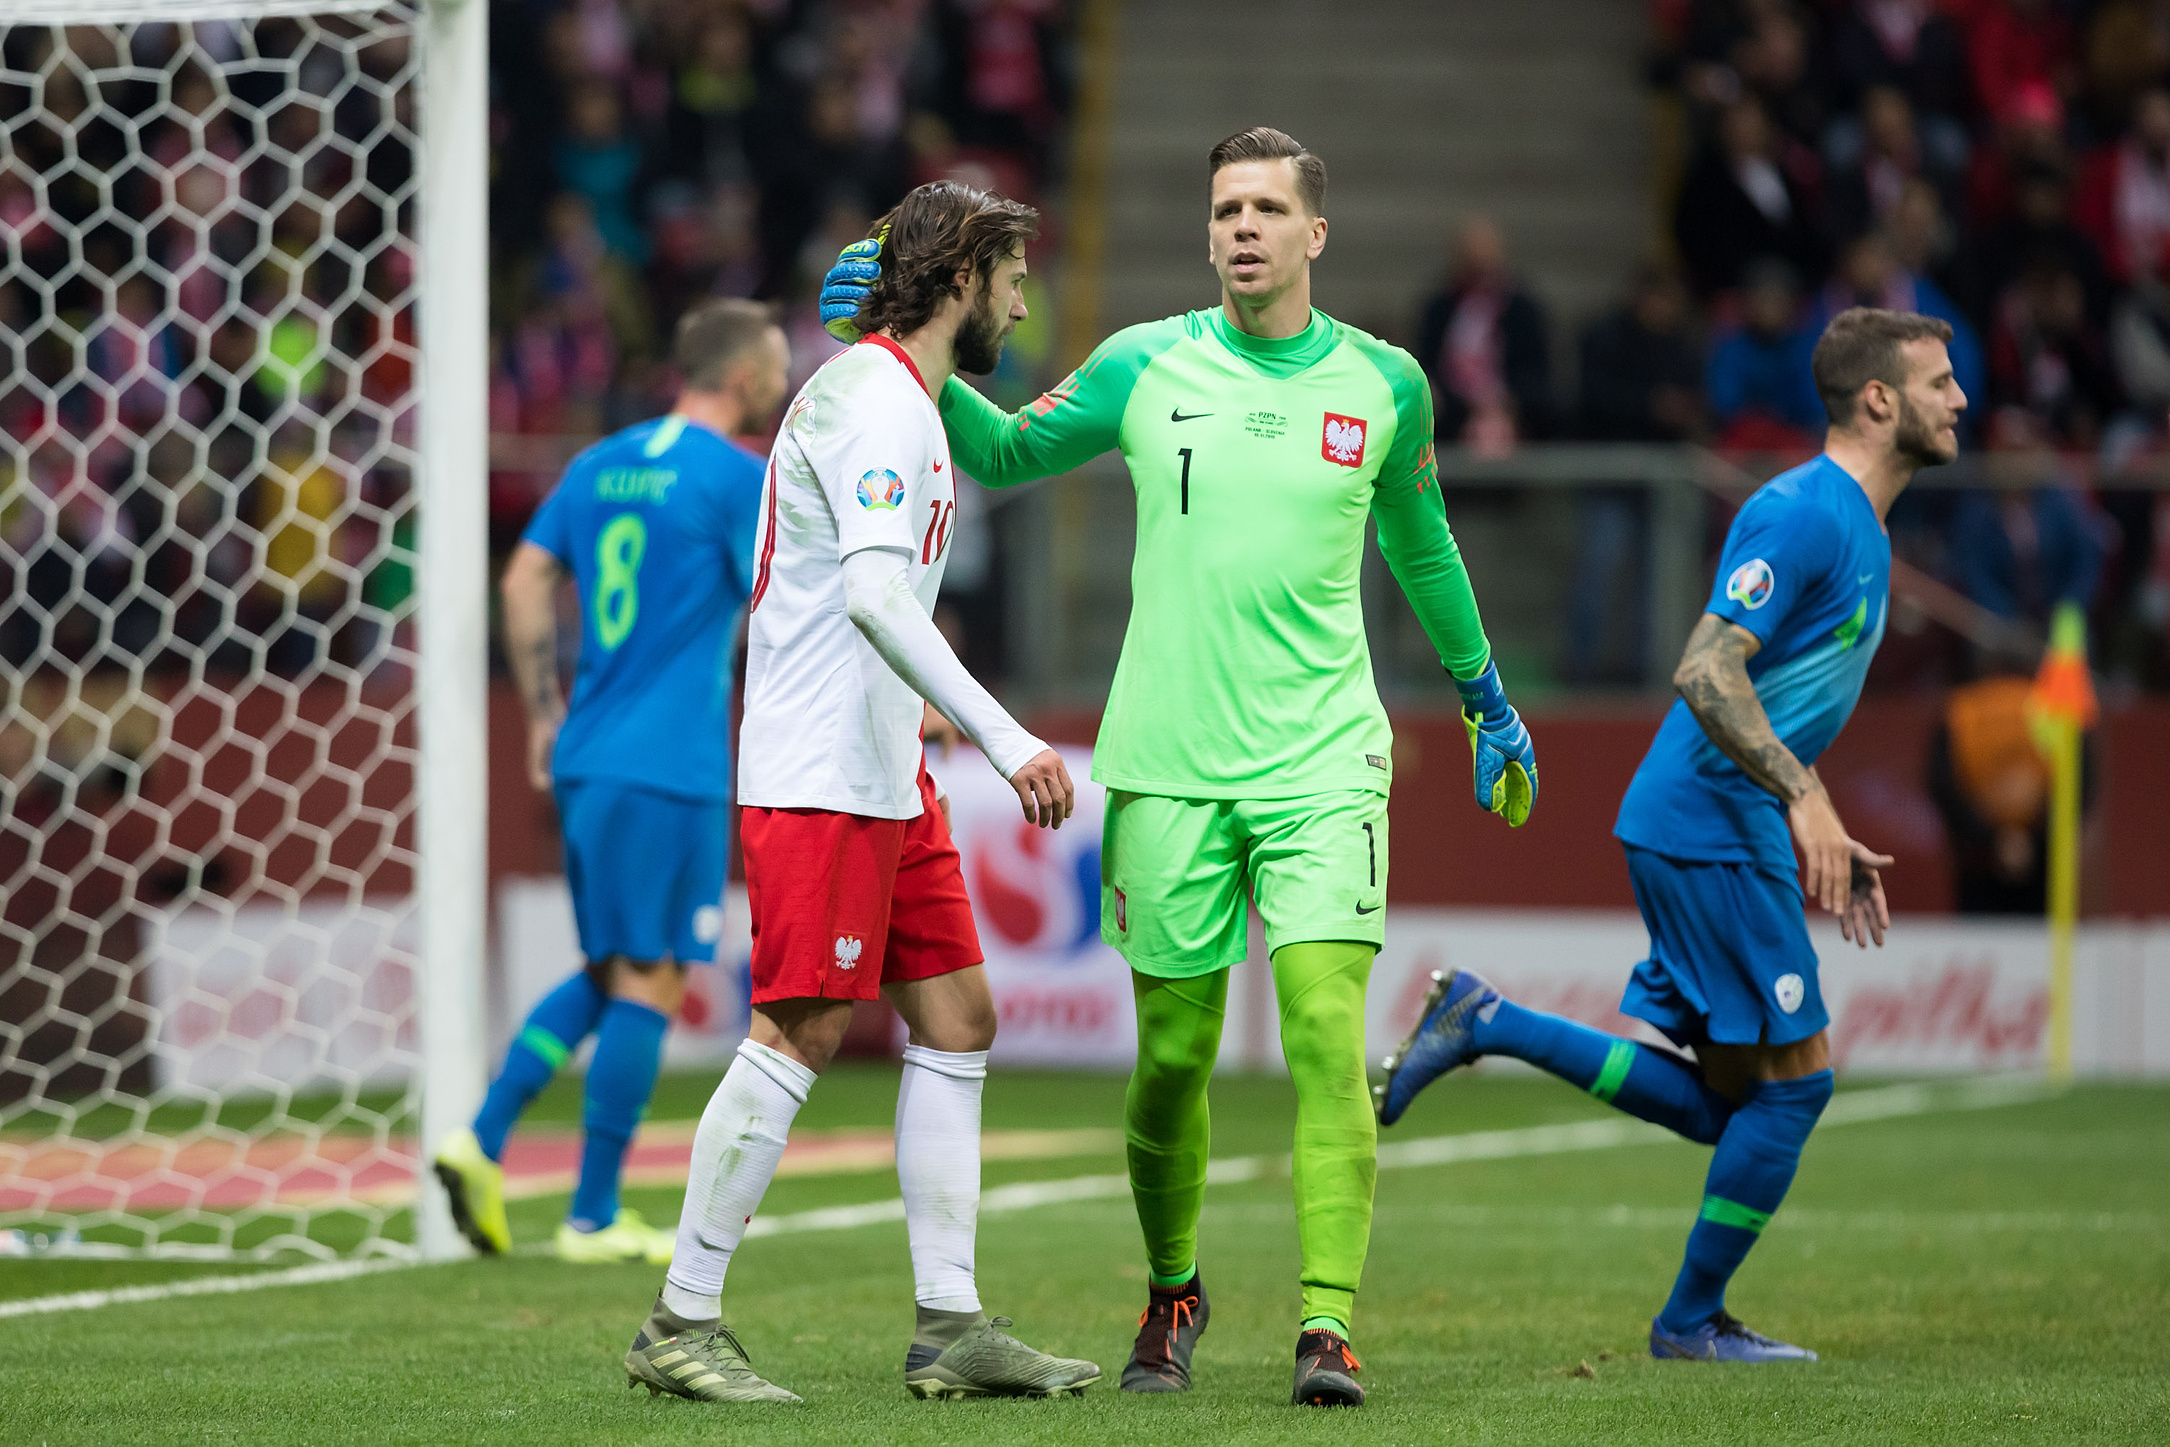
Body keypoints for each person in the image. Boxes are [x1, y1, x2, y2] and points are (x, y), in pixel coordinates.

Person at [821, 125, 1532, 1407]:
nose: (1243, 227)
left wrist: (1486, 696)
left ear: (1315, 233)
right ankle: (1173, 1290)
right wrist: (895, 342)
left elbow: (1422, 548)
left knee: (1325, 1030)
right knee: (1168, 1062)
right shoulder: (1141, 364)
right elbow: (999, 452)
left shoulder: (1388, 385)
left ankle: (1326, 1326)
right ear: (1206, 233)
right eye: (1224, 209)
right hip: (1167, 766)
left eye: (1266, 208)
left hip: (1323, 762)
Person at [1377, 307, 1968, 1362]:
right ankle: (1689, 1322)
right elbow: (1703, 668)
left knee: (1729, 1101)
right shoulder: (1806, 514)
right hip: (1708, 819)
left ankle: (1485, 1019)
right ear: (1879, 399)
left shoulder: (1861, 529)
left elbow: (1776, 695)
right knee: (1799, 1085)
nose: (1959, 398)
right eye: (1939, 380)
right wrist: (1806, 799)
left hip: (1716, 816)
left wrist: (1808, 801)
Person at [620, 179, 1098, 1406]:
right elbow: (874, 597)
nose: (1022, 297)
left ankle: (950, 1324)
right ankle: (679, 1318)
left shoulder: (904, 398)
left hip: (884, 768)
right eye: (1007, 275)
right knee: (801, 1028)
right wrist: (1007, 738)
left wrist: (929, 718)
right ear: (957, 284)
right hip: (820, 771)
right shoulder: (882, 403)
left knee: (958, 1017)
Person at [432, 299, 787, 1263]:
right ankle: (591, 1213)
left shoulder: (595, 465)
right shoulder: (735, 477)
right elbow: (786, 602)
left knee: (606, 968)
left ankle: (480, 1140)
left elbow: (521, 579)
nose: (785, 384)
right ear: (747, 377)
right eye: (779, 368)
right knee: (655, 976)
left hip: (589, 748)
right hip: (670, 763)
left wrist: (544, 709)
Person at [1414, 216, 1555, 449]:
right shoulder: (1439, 309)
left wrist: (1504, 406)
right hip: (1452, 418)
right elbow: (1426, 367)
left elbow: (1538, 375)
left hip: (1514, 419)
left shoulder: (1524, 310)